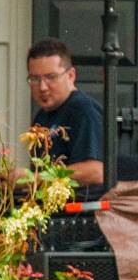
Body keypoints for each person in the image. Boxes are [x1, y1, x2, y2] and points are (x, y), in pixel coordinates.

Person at [26, 37, 107, 196]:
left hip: (82, 212)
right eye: (35, 79)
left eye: (51, 77)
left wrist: (33, 179)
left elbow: (96, 171)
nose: (42, 87)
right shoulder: (41, 117)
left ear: (71, 75)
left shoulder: (83, 110)